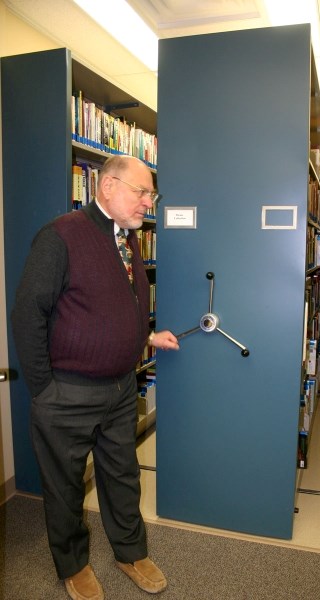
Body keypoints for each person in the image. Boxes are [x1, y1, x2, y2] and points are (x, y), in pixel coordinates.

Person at [11, 155, 179, 600]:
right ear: (107, 186)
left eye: (151, 194)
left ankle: (129, 551)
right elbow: (28, 316)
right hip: (67, 393)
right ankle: (73, 564)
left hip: (122, 388)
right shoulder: (61, 236)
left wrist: (145, 337)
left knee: (123, 474)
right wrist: (45, 390)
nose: (149, 202)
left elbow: (106, 308)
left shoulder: (126, 239)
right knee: (65, 486)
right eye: (142, 192)